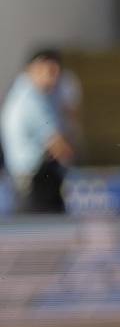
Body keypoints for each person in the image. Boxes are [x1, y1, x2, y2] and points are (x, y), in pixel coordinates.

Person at [1, 48, 75, 215]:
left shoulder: (18, 93)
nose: (54, 79)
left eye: (57, 73)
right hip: (38, 186)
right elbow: (58, 146)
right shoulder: (33, 100)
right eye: (50, 71)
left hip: (23, 184)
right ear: (34, 68)